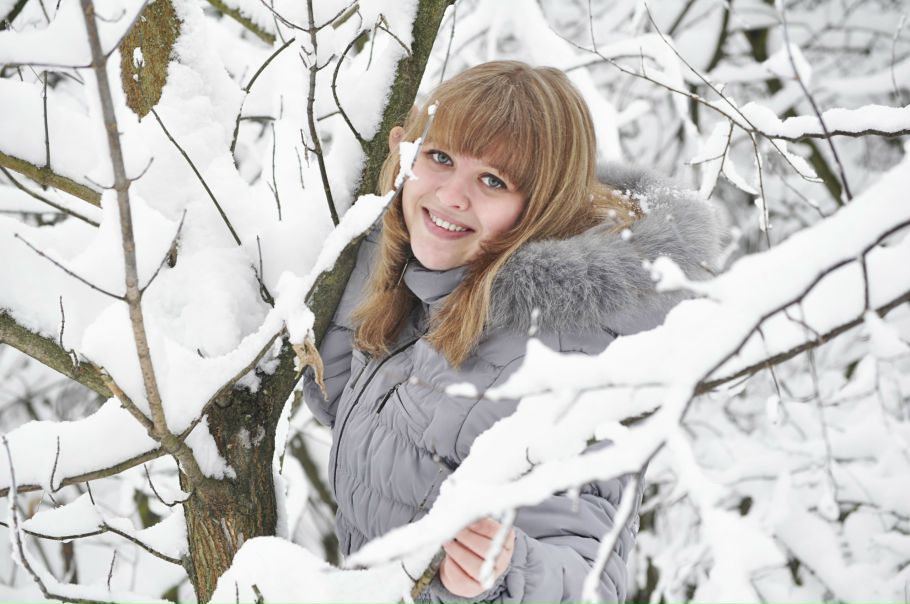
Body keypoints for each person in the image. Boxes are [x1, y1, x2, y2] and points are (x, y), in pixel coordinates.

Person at [303, 61, 724, 603]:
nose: (452, 195)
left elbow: (588, 579)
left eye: (493, 181)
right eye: (440, 157)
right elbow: (351, 395)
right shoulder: (422, 265)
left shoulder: (562, 352)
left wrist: (505, 573)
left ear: (541, 209)